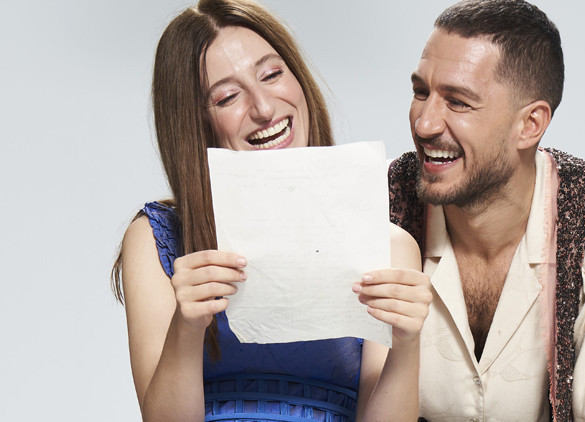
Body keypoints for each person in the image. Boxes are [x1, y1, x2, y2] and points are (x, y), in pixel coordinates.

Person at [111, 1, 431, 421]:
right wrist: (187, 329)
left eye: (272, 74)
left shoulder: (388, 246)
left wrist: (407, 343)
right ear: (193, 123)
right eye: (227, 97)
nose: (263, 108)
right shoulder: (157, 238)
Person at [387, 0, 585, 420]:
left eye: (457, 102)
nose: (424, 124)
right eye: (421, 92)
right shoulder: (379, 205)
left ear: (530, 125)